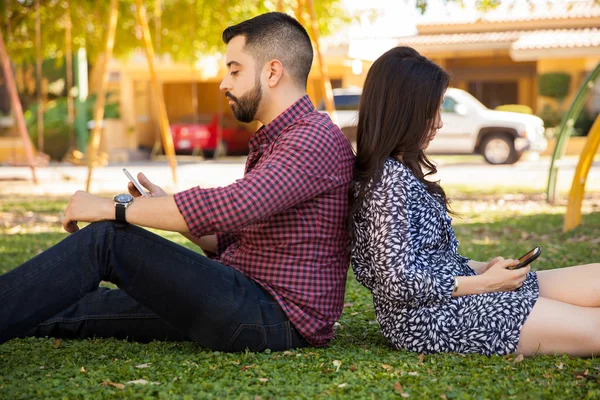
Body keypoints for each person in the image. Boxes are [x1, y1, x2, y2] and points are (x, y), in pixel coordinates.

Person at [0, 12, 355, 352]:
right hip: (246, 299)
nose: (224, 83)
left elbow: (234, 205)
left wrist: (111, 208)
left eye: (235, 70)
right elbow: (230, 236)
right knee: (86, 307)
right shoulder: (283, 138)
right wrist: (160, 202)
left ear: (272, 72)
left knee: (107, 240)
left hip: (272, 314)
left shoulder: (313, 138)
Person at [350, 46, 600, 357]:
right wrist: (486, 284)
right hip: (430, 318)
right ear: (405, 110)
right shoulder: (385, 179)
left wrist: (485, 269)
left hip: (459, 293)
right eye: (433, 110)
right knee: (595, 327)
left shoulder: (400, 169)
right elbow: (397, 283)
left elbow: (431, 259)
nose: (439, 123)